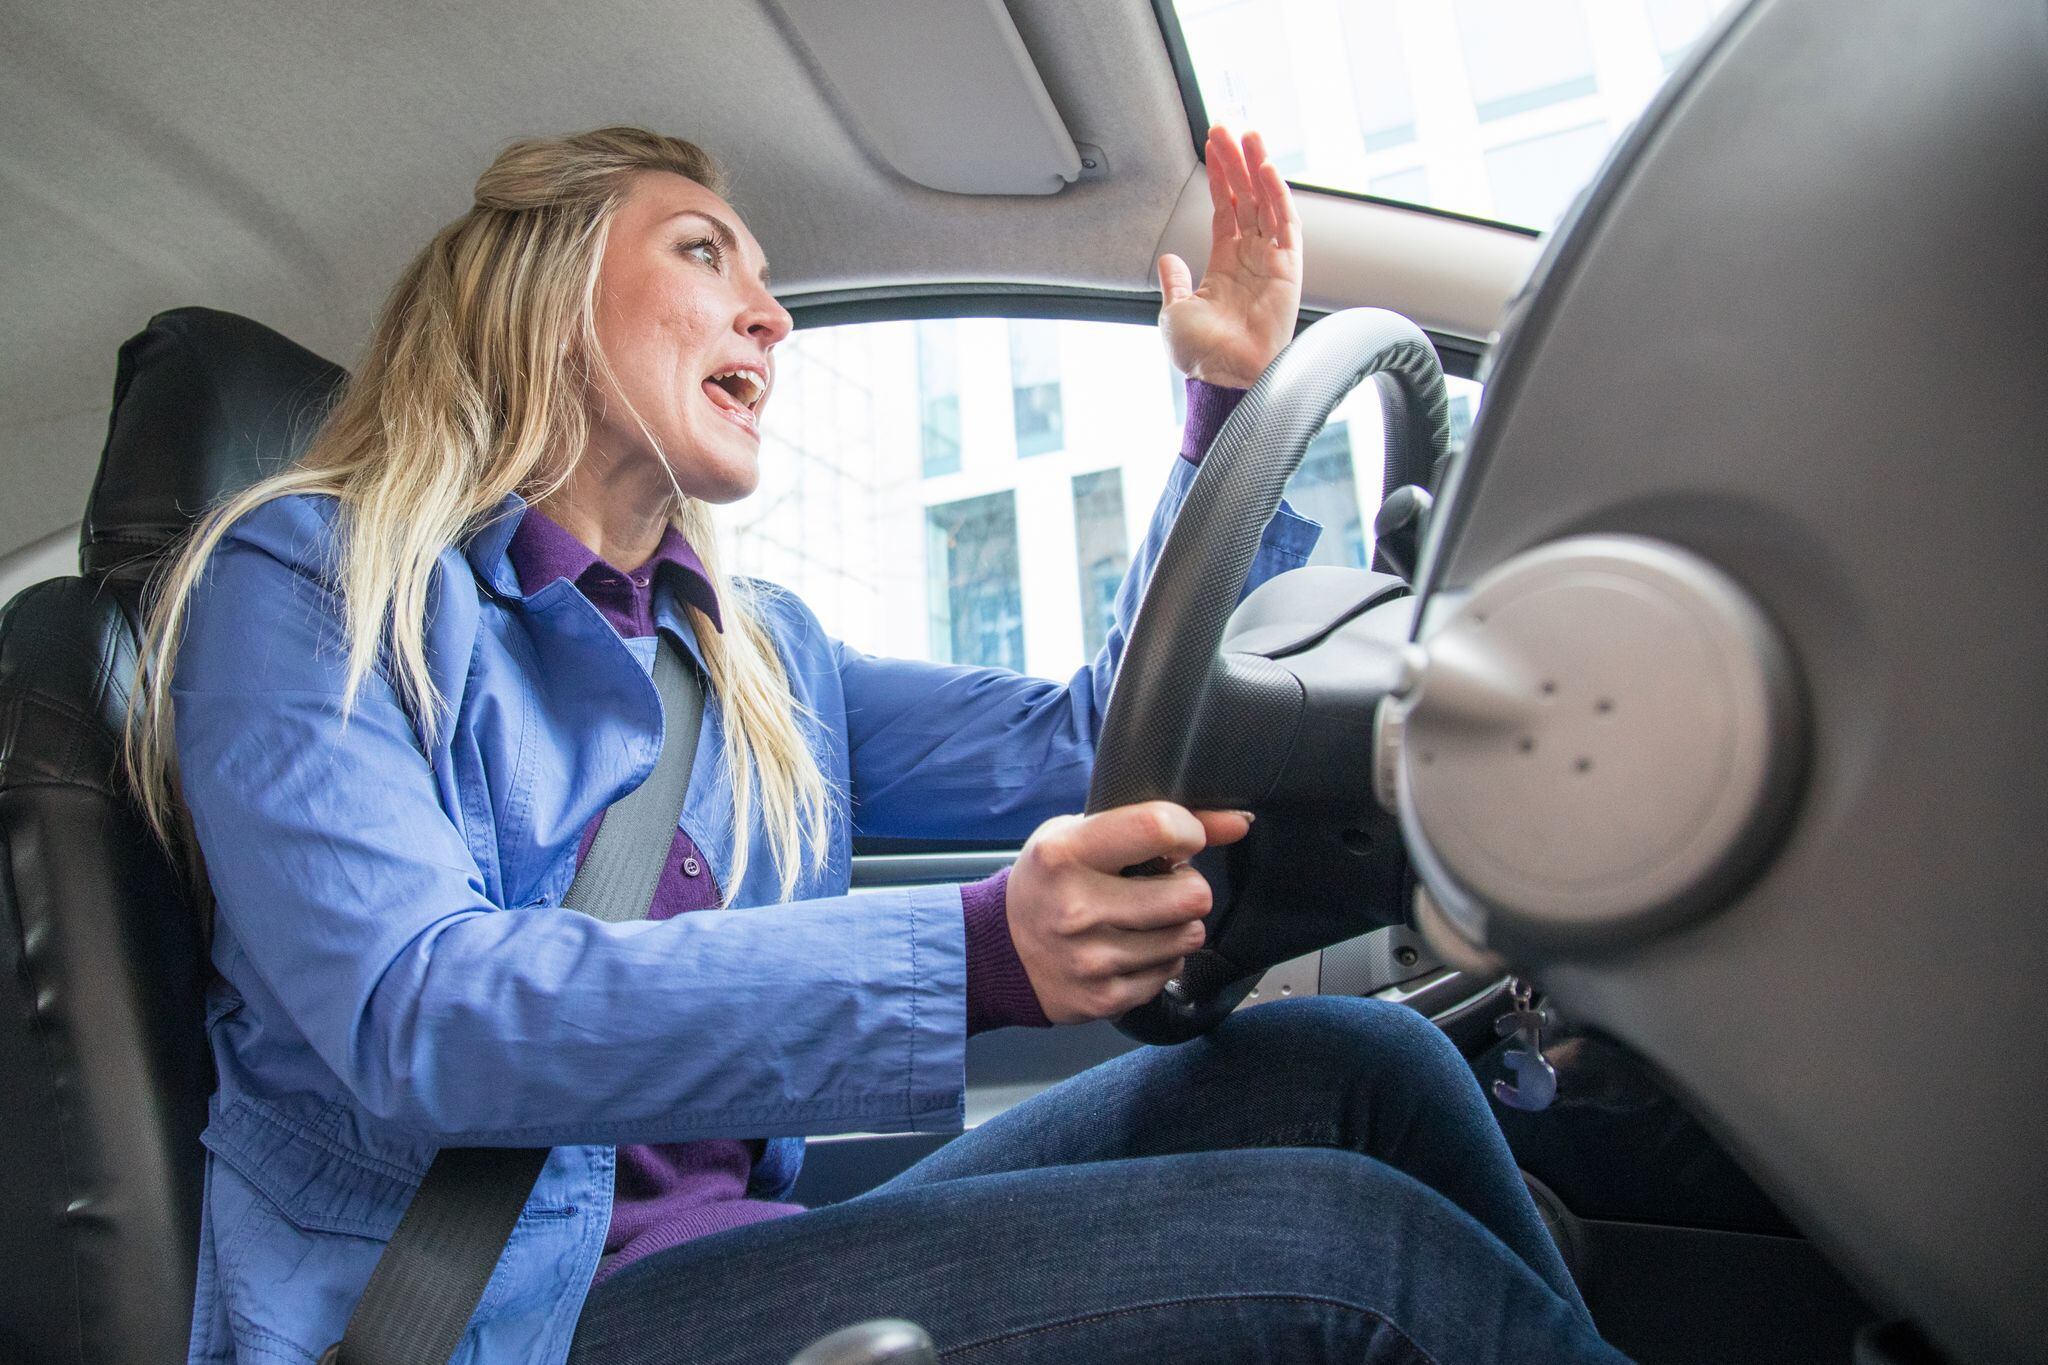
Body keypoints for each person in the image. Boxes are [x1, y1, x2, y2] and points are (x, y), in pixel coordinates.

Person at [128, 125, 1629, 1364]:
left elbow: (1105, 742)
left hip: (743, 1268)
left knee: (1355, 1064)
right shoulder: (315, 586)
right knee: (1346, 1258)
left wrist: (1230, 406)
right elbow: (421, 1013)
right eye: (706, 255)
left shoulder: (759, 656)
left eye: (768, 281)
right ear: (538, 292)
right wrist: (977, 950)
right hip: (504, 1318)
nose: (770, 318)